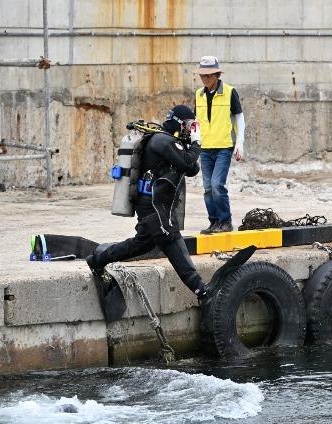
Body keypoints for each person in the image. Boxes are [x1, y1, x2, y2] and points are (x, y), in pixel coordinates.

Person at [86, 105, 207, 300]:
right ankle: (202, 290)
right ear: (178, 123)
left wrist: (188, 145)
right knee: (172, 240)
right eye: (187, 125)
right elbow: (186, 163)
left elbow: (192, 168)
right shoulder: (162, 141)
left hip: (153, 206)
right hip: (154, 207)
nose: (189, 130)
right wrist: (197, 142)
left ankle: (96, 260)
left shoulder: (168, 142)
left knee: (141, 245)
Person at [194, 56, 245, 234]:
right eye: (202, 76)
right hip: (205, 147)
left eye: (208, 76)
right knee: (208, 188)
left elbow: (239, 117)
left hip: (224, 146)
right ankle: (214, 222)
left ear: (216, 75)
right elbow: (196, 121)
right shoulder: (199, 94)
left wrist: (240, 142)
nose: (205, 79)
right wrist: (193, 143)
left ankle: (226, 221)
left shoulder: (230, 92)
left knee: (217, 185)